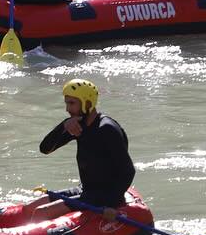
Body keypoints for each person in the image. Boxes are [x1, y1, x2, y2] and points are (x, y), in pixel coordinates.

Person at [27, 79, 135, 222]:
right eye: (66, 103)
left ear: (87, 103)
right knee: (32, 206)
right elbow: (45, 149)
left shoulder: (107, 128)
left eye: (72, 103)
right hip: (86, 189)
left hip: (105, 195)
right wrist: (64, 125)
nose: (67, 109)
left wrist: (111, 204)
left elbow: (128, 171)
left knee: (41, 212)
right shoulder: (79, 125)